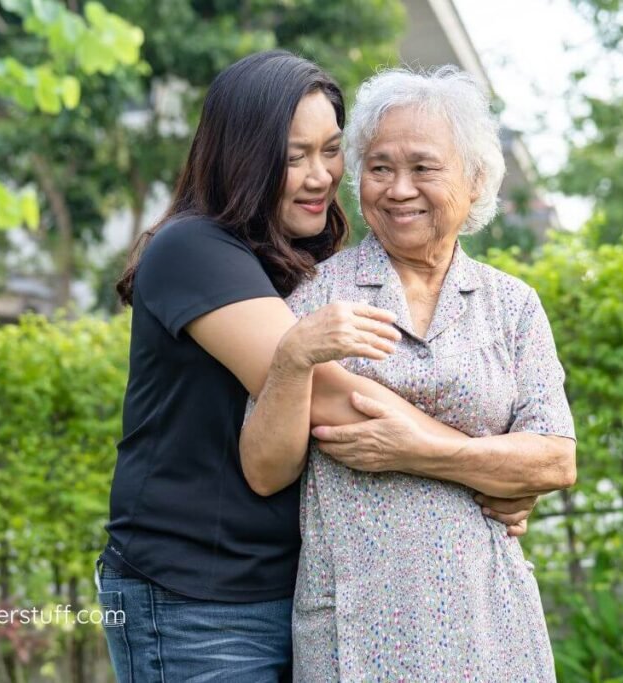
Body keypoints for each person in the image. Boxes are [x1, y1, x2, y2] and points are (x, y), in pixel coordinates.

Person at [97, 51, 535, 682]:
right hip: (196, 600)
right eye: (293, 155)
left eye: (330, 151)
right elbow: (334, 403)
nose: (320, 176)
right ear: (241, 156)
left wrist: (497, 469)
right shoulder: (194, 249)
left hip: (298, 591)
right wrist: (491, 470)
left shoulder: (307, 255)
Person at [240, 66, 577, 682]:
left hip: (491, 622)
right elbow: (264, 472)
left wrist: (417, 449)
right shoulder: (315, 296)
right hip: (357, 628)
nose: (398, 190)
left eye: (423, 168)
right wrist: (292, 358)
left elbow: (555, 459)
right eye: (379, 167)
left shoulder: (512, 306)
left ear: (475, 182)